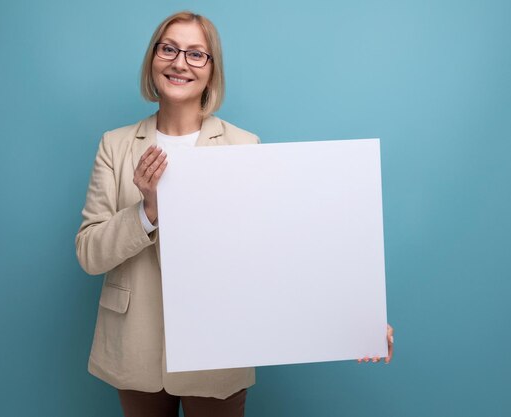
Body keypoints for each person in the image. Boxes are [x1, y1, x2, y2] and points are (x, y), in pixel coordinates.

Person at [75, 11, 393, 417]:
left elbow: (278, 253)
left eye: (196, 54)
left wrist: (358, 319)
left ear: (212, 70)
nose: (179, 63)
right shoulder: (115, 145)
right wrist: (147, 211)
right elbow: (89, 254)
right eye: (169, 49)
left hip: (219, 352)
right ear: (153, 58)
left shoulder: (243, 146)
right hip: (134, 349)